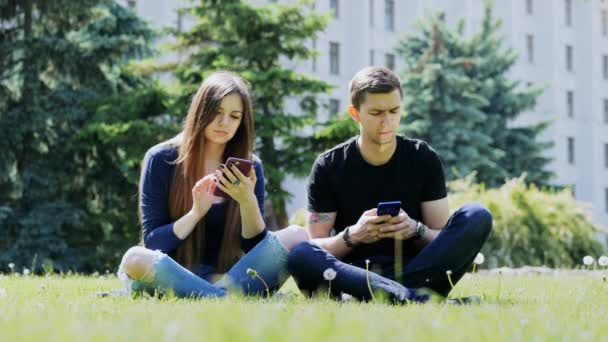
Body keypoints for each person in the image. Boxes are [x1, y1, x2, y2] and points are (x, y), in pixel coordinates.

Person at [286, 66, 492, 304]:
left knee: (477, 214)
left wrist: (415, 229)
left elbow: (442, 239)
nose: (387, 121)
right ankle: (413, 298)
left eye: (394, 111)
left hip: (418, 269)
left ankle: (390, 296)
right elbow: (317, 245)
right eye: (376, 113)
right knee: (301, 253)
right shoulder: (329, 165)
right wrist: (353, 235)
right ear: (355, 113)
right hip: (353, 275)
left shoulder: (422, 158)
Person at [117, 71, 308, 298]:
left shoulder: (250, 167)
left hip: (228, 277)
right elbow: (154, 243)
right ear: (201, 111)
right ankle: (225, 297)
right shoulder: (161, 159)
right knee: (135, 258)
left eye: (234, 116)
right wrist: (196, 212)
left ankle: (213, 295)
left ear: (242, 122)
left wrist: (247, 201)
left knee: (297, 235)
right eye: (217, 112)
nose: (224, 123)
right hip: (175, 276)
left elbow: (255, 249)